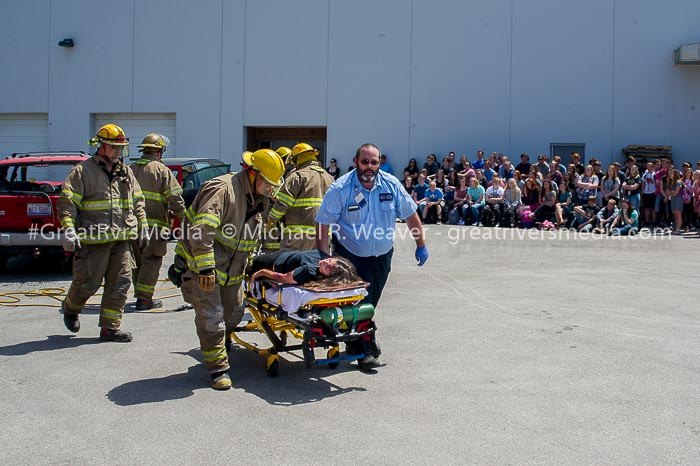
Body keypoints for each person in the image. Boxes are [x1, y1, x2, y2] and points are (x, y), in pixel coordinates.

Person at [175, 149, 285, 390]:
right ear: (252, 173)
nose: (270, 189)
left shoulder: (261, 199)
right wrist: (205, 269)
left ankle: (220, 343)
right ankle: (218, 370)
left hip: (234, 271)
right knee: (211, 318)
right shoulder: (222, 190)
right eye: (268, 183)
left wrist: (275, 263)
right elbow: (201, 232)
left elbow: (267, 235)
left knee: (235, 312)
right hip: (206, 268)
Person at [316, 143, 428, 370]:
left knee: (370, 301)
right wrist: (322, 255)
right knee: (359, 301)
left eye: (374, 162)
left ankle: (355, 342)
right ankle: (366, 349)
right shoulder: (340, 189)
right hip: (350, 255)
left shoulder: (391, 184)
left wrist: (420, 244)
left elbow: (410, 214)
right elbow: (323, 224)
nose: (369, 167)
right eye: (365, 161)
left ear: (380, 163)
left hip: (381, 256)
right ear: (356, 161)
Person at [58, 123, 147, 342]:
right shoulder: (82, 171)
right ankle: (71, 308)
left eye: (121, 148)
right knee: (87, 283)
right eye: (113, 147)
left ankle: (110, 328)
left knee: (121, 284)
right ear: (101, 147)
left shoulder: (126, 172)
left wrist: (142, 225)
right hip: (93, 241)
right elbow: (67, 204)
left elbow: (138, 201)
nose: (118, 152)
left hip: (122, 240)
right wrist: (69, 231)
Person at [129, 133, 186, 310]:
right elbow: (175, 198)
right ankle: (144, 299)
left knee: (136, 261)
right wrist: (186, 220)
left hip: (132, 226)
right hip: (155, 226)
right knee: (151, 261)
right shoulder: (161, 170)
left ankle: (140, 294)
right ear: (160, 151)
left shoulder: (129, 169)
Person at [267, 142, 333, 250]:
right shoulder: (329, 178)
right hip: (324, 234)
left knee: (290, 264)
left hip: (298, 236)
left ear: (297, 159)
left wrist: (270, 222)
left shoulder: (297, 176)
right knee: (317, 264)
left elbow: (282, 203)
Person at [250, 250, 362, 290]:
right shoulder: (323, 256)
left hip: (269, 263)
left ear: (329, 277)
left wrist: (262, 272)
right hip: (282, 255)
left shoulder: (308, 271)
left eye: (328, 268)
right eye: (329, 260)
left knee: (247, 264)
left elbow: (283, 278)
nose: (325, 262)